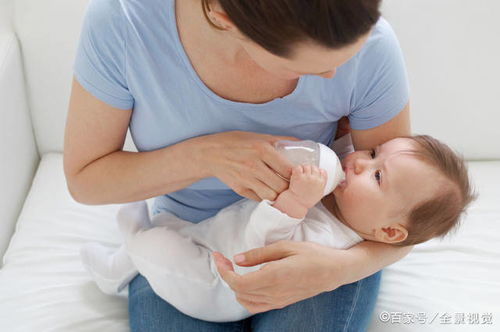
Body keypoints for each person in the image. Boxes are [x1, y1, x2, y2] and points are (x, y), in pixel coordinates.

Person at [64, 0, 413, 330]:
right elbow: (86, 179)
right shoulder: (125, 24)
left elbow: (407, 211)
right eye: (308, 65)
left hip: (315, 233)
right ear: (222, 16)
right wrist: (207, 155)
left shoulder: (371, 44)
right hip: (191, 235)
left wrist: (339, 269)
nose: (333, 72)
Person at [79, 134, 475, 323]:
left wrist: (293, 205)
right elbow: (334, 153)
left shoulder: (328, 245)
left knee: (156, 248)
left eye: (377, 176)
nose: (357, 161)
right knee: (169, 235)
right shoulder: (341, 196)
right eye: (372, 153)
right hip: (207, 233)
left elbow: (260, 252)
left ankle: (123, 254)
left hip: (215, 283)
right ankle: (129, 249)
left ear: (388, 232)